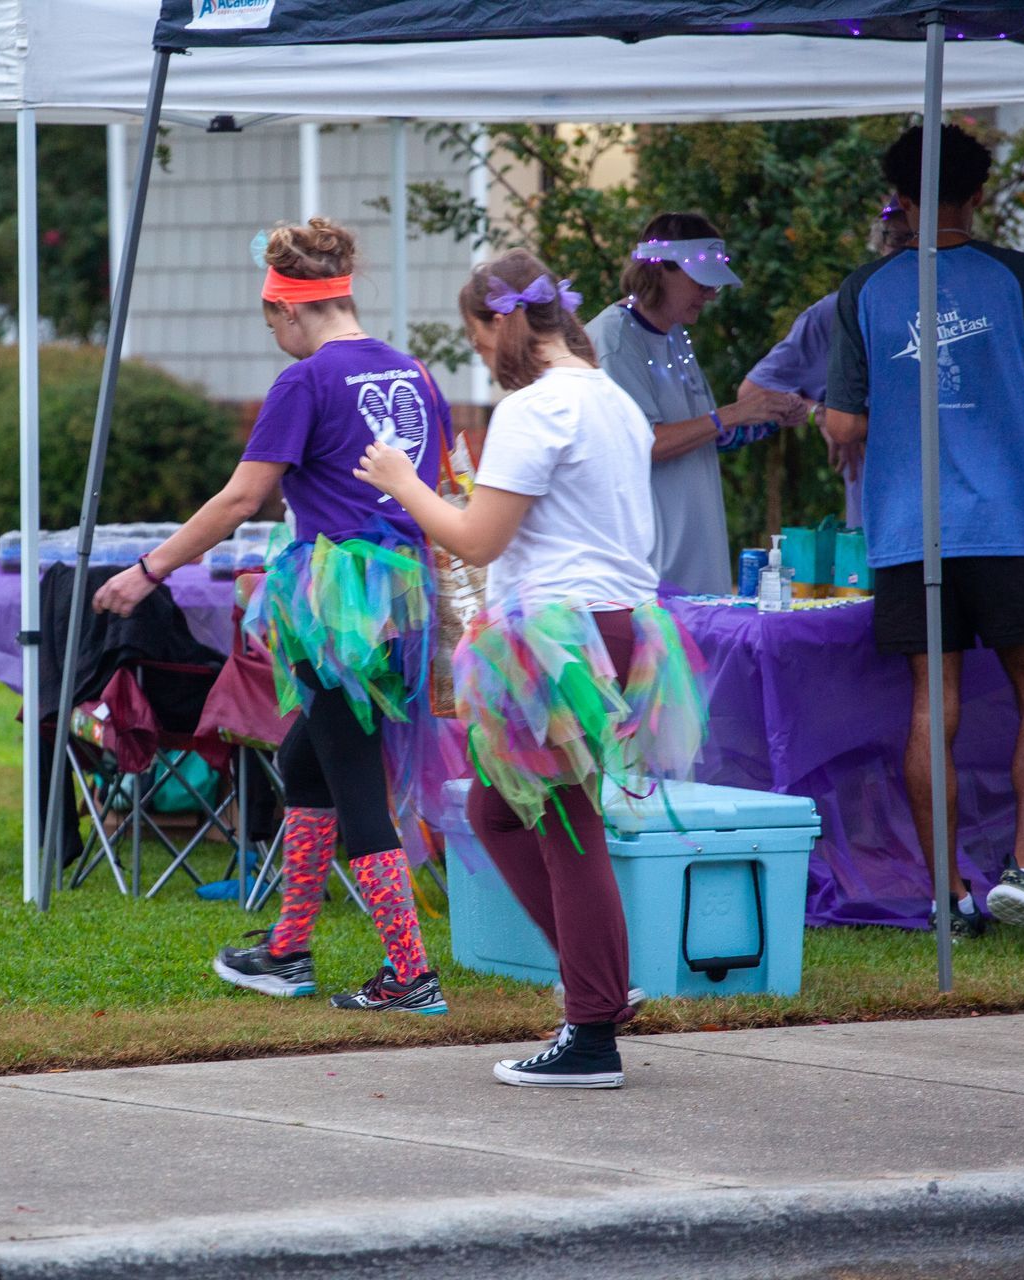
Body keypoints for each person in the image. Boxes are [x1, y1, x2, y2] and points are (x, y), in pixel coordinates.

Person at [357, 248, 708, 1088]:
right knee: (500, 809)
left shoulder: (536, 407)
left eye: (479, 340)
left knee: (561, 823)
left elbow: (477, 540)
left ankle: (590, 1030)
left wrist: (404, 480)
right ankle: (601, 987)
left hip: (554, 637)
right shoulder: (609, 399)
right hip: (617, 626)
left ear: (502, 322)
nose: (482, 357)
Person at [95, 217, 453, 1013]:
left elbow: (241, 499)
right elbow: (442, 484)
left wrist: (148, 571)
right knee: (306, 761)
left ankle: (409, 972)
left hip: (335, 604)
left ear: (290, 309)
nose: (274, 341)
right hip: (401, 598)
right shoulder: (413, 373)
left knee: (355, 780)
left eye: (270, 325)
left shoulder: (307, 381)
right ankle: (288, 948)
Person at [822, 124, 1024, 948]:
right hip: (1009, 519)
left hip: (909, 529)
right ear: (979, 193)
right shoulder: (1018, 278)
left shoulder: (867, 290)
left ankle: (948, 894)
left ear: (899, 196)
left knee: (932, 703)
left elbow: (842, 419)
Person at [584, 213, 802, 595]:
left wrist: (769, 417)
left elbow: (705, 435)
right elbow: (645, 443)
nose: (712, 294)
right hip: (649, 576)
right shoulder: (615, 338)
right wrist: (735, 413)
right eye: (701, 282)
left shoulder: (673, 335)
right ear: (659, 270)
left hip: (691, 569)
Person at [739, 200, 918, 529]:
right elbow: (752, 391)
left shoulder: (960, 306)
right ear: (878, 242)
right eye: (897, 239)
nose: (908, 253)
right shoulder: (835, 312)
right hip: (877, 527)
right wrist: (819, 413)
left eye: (918, 240)